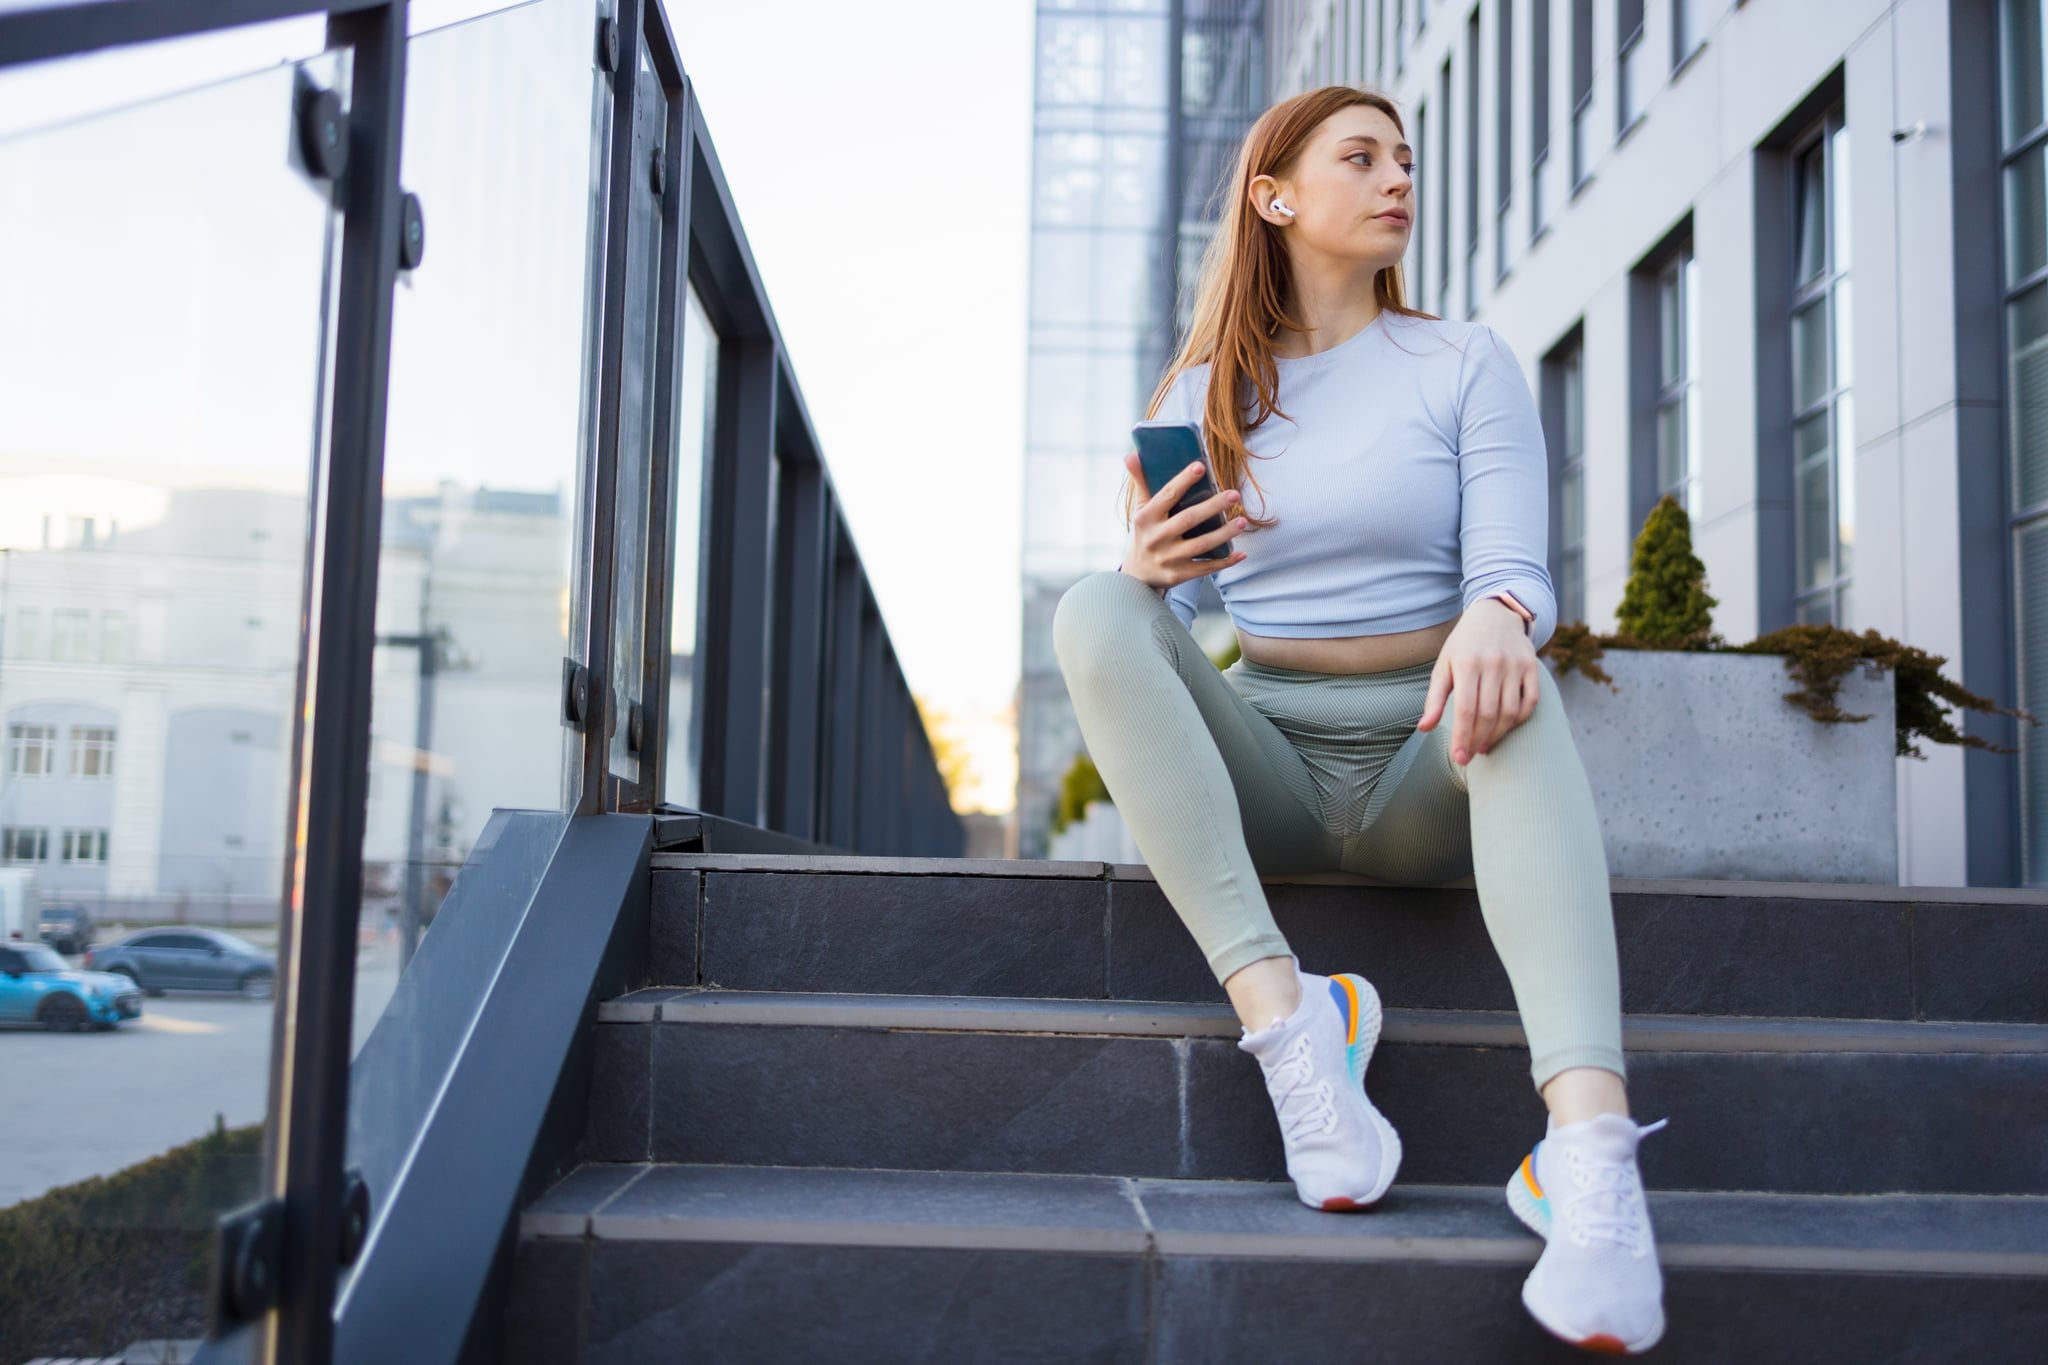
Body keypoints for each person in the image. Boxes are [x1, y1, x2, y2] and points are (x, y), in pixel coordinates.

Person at [1051, 85, 1667, 1355]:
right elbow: (1173, 619)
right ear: (1274, 198)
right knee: (1093, 609)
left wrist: (1499, 609)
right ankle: (1291, 1030)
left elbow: (1515, 568)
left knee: (1520, 676)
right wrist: (1149, 568)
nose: (1396, 178)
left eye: (1403, 159)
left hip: (1425, 762)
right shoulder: (1206, 386)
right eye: (1361, 156)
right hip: (1268, 757)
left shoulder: (1460, 361)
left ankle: (1586, 1153)